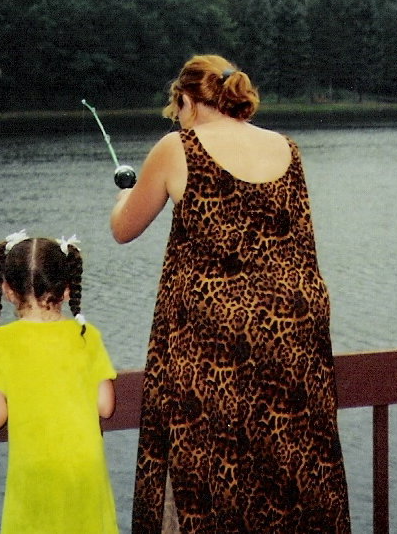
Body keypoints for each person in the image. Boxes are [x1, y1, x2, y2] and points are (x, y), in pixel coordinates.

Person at [110, 54, 351, 532]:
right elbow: (299, 239)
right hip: (293, 331)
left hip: (216, 338)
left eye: (176, 106)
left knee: (213, 459)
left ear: (187, 100)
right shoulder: (286, 146)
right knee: (287, 453)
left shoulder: (177, 147)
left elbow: (123, 229)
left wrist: (122, 196)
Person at [0, 232, 118, 533]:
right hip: (84, 468)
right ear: (66, 289)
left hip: (35, 470)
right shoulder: (87, 335)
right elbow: (105, 406)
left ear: (8, 290)